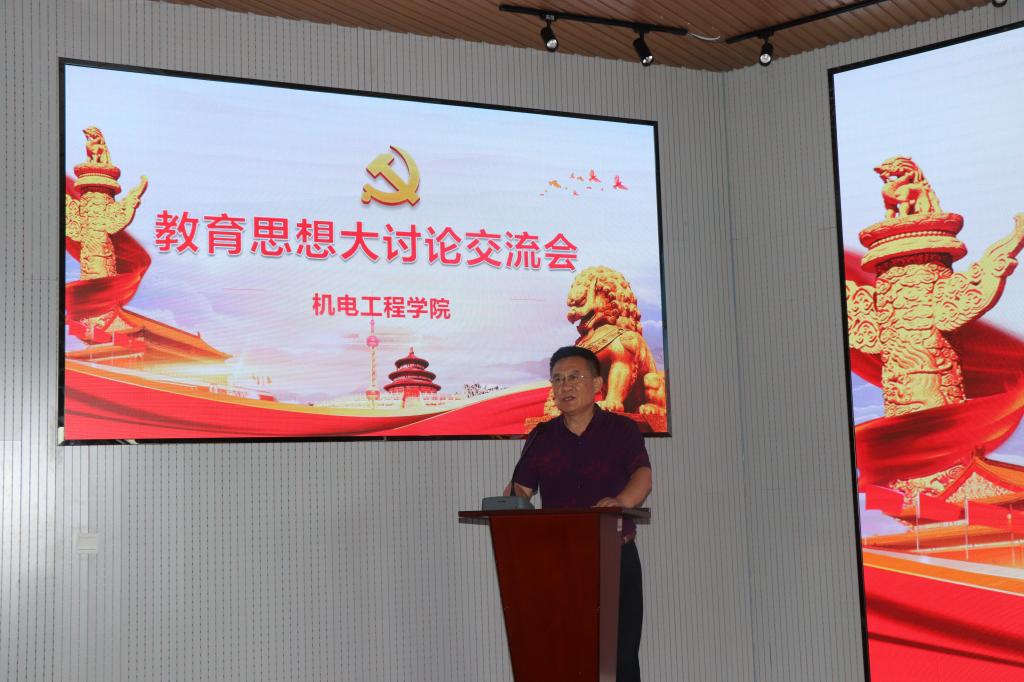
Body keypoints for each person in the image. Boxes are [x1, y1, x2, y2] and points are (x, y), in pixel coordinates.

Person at [508, 345, 653, 682]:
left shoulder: (621, 430)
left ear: (598, 384)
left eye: (575, 377)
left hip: (613, 555)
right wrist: (510, 505)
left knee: (618, 659)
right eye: (557, 379)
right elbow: (521, 489)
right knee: (564, 654)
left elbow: (642, 476)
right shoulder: (542, 436)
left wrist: (620, 501)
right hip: (559, 561)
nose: (565, 386)